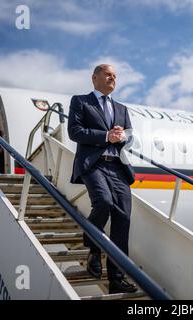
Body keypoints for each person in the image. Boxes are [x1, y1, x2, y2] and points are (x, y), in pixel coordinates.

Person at [67, 64, 137, 294]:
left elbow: (129, 138)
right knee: (103, 202)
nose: (112, 78)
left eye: (115, 76)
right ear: (95, 77)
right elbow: (74, 132)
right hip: (93, 164)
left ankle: (117, 278)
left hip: (117, 166)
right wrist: (106, 135)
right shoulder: (80, 101)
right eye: (108, 75)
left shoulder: (122, 108)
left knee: (123, 219)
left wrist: (122, 136)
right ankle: (93, 247)